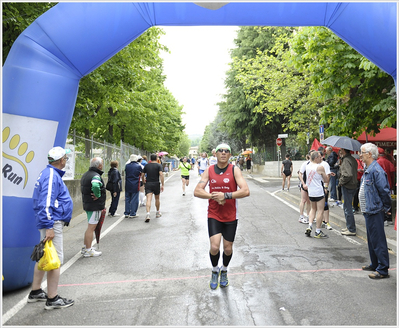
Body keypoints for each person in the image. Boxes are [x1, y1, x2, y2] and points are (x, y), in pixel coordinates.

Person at [194, 143, 250, 290]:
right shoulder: (209, 170)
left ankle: (224, 270)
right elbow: (197, 191)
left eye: (227, 151)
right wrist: (213, 196)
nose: (223, 153)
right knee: (214, 246)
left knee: (227, 248)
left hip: (231, 214)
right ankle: (214, 270)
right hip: (214, 213)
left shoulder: (234, 170)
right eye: (220, 151)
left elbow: (245, 191)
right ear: (216, 154)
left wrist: (225, 195)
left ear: (230, 155)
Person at [29, 146, 74, 310]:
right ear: (61, 160)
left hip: (50, 221)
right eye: (65, 159)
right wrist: (49, 226)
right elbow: (46, 202)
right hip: (52, 221)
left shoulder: (47, 174)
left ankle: (35, 292)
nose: (66, 161)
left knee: (44, 255)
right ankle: (53, 298)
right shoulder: (51, 176)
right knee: (55, 260)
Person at [359, 143, 391, 279]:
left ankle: (382, 269)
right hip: (369, 210)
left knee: (378, 240)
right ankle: (375, 263)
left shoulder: (376, 170)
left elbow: (384, 191)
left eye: (362, 152)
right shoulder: (368, 169)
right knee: (372, 240)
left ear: (369, 154)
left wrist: (387, 208)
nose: (360, 155)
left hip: (375, 210)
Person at [80, 157, 105, 257]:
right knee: (91, 227)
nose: (103, 165)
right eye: (102, 163)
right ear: (99, 165)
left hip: (88, 203)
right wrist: (98, 195)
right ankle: (88, 250)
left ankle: (87, 247)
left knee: (90, 226)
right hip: (94, 205)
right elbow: (95, 185)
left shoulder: (86, 174)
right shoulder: (95, 175)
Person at [304, 150, 329, 238]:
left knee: (313, 209)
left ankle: (310, 225)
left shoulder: (307, 166)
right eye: (319, 157)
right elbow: (326, 180)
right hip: (319, 191)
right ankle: (318, 231)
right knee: (320, 211)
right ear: (315, 158)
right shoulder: (320, 167)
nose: (321, 158)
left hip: (311, 191)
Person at [338, 148, 358, 236]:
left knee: (347, 207)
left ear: (343, 151)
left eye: (341, 149)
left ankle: (351, 228)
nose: (339, 151)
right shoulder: (352, 159)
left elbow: (348, 174)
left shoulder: (346, 160)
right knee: (348, 206)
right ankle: (349, 226)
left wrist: (341, 182)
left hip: (348, 185)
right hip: (353, 184)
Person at [141, 154, 164, 222]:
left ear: (150, 159)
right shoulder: (159, 165)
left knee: (148, 199)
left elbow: (142, 175)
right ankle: (157, 212)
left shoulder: (147, 165)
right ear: (157, 158)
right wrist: (162, 184)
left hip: (148, 183)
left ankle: (148, 214)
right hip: (156, 183)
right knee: (157, 198)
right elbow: (161, 174)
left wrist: (143, 182)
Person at [124, 154, 143, 218]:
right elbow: (141, 172)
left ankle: (127, 212)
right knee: (134, 199)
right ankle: (133, 213)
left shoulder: (127, 166)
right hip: (135, 183)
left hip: (128, 183)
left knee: (127, 198)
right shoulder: (138, 166)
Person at [298, 152, 312, 224]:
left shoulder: (316, 165)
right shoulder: (305, 164)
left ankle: (309, 216)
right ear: (309, 156)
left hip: (311, 186)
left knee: (309, 201)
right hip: (304, 185)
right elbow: (300, 173)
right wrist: (303, 183)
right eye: (311, 154)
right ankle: (301, 216)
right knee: (303, 200)